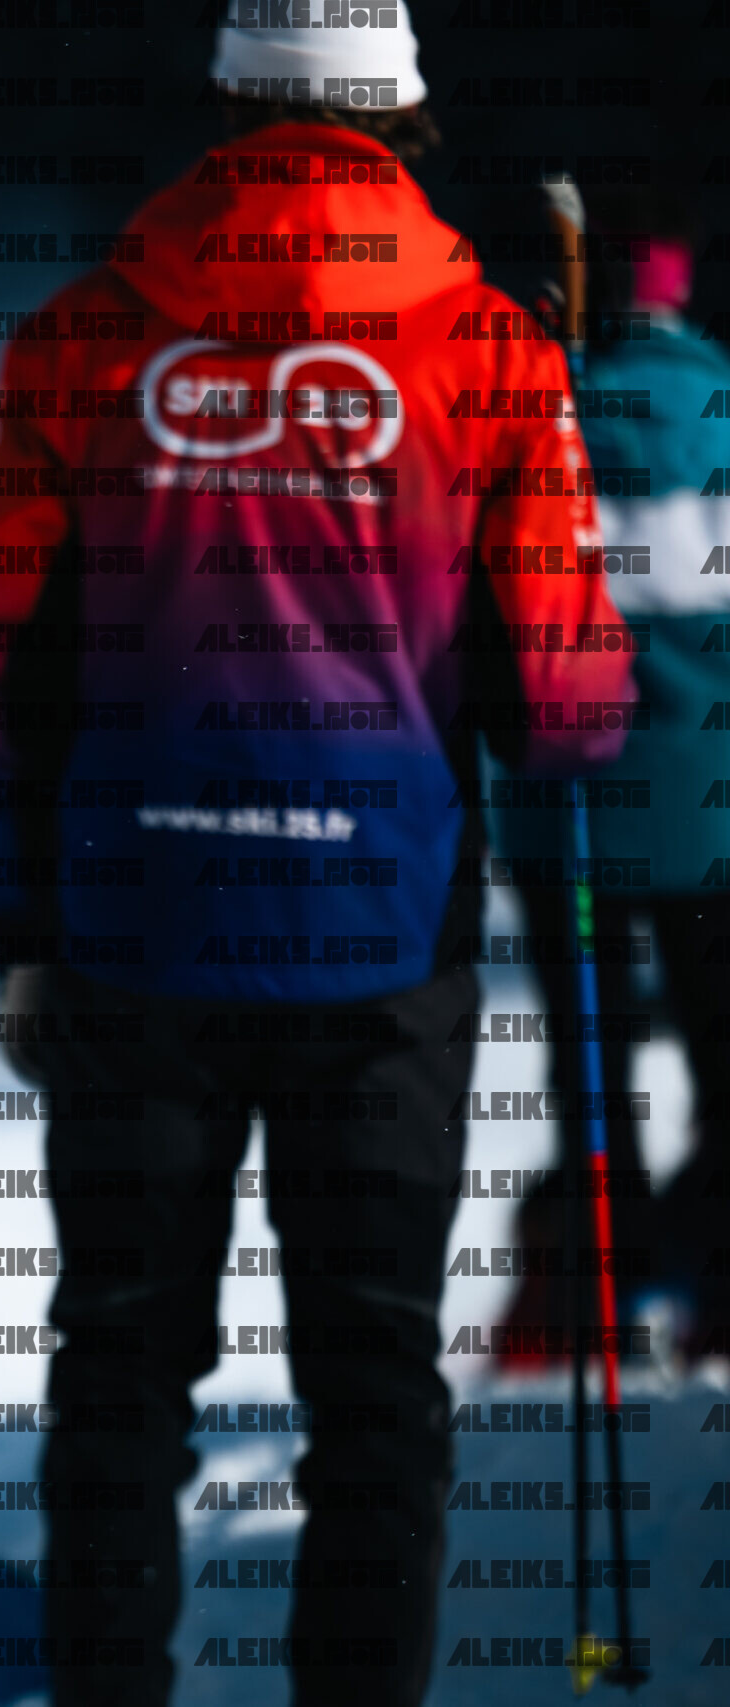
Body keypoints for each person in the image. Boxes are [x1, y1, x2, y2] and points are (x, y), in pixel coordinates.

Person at [0, 11, 636, 1705]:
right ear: (407, 115)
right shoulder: (490, 347)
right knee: (376, 1387)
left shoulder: (81, 335)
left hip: (129, 926)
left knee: (120, 1365)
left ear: (226, 108)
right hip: (381, 936)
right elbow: (566, 709)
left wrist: (19, 925)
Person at [492, 184, 730, 1372]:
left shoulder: (538, 409)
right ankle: (716, 1281)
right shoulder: (723, 411)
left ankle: (589, 1280)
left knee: (588, 1061)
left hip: (564, 806)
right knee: (721, 1054)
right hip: (709, 812)